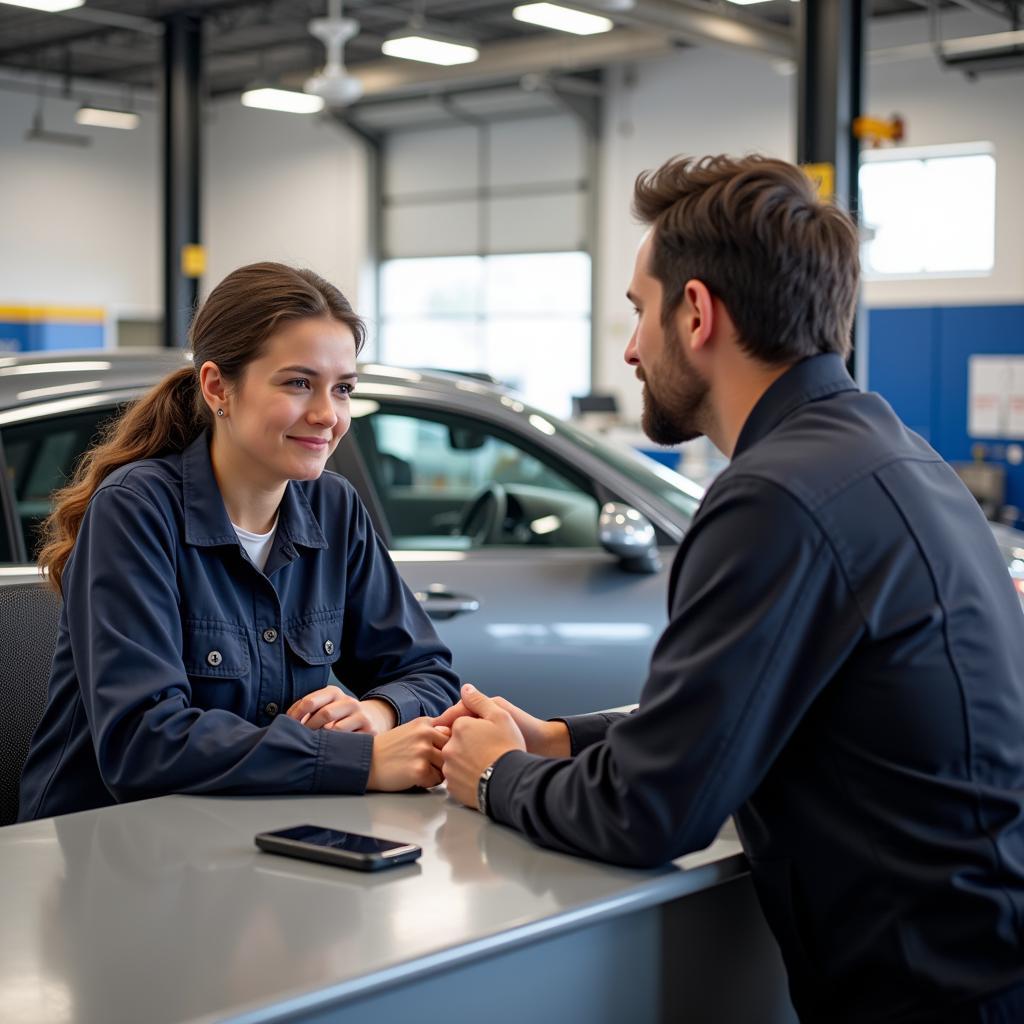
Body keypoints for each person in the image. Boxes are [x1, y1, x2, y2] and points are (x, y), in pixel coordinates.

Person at [438, 155, 1024, 1023]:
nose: (633, 349)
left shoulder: (774, 497)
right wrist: (563, 738)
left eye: (639, 313)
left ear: (698, 312)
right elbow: (763, 710)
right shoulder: (894, 454)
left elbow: (651, 813)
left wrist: (498, 775)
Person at [18, 262, 459, 821]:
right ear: (216, 386)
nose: (328, 415)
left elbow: (429, 674)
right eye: (298, 383)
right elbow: (142, 744)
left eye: (343, 388)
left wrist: (378, 714)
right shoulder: (135, 509)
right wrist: (358, 759)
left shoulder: (335, 506)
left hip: (253, 830)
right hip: (110, 846)